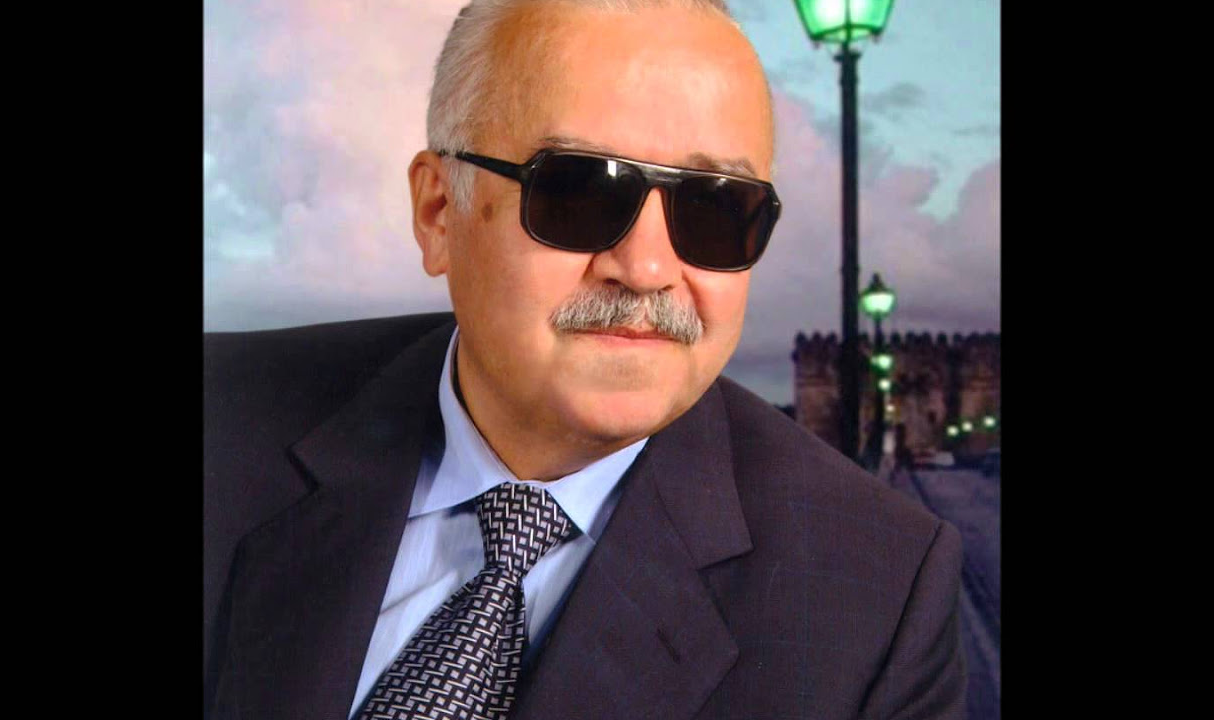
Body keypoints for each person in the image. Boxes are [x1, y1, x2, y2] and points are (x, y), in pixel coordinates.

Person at [203, 1, 967, 718]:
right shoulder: (220, 419)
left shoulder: (875, 600)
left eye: (713, 207)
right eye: (576, 193)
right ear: (439, 213)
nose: (647, 268)